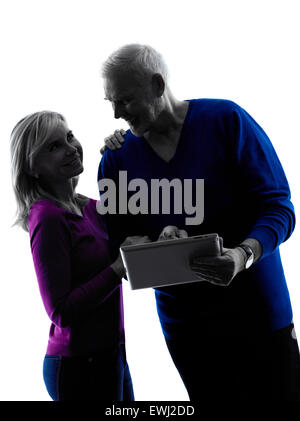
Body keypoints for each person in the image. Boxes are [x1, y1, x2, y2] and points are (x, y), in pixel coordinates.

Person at [98, 44, 300, 400]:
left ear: (158, 85)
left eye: (125, 100)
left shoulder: (227, 120)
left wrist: (242, 256)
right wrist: (155, 240)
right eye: (111, 103)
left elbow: (279, 209)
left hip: (258, 314)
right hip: (187, 329)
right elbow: (121, 246)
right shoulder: (116, 160)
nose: (116, 114)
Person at [10, 111, 155, 401]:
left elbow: (137, 225)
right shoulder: (47, 218)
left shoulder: (89, 206)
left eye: (69, 136)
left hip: (112, 354)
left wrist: (122, 153)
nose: (70, 148)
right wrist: (117, 269)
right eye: (53, 147)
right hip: (79, 367)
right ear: (32, 168)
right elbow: (60, 311)